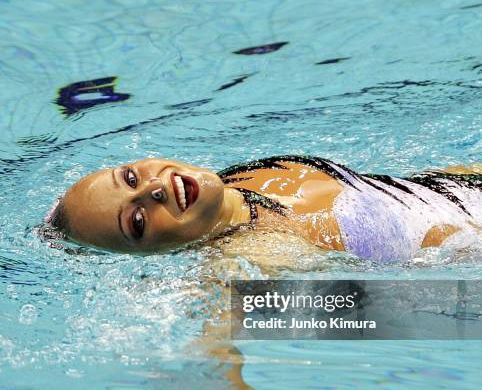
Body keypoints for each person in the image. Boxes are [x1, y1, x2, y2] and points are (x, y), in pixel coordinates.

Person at [44, 155, 481, 263]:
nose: (154, 189)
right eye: (137, 221)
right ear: (154, 253)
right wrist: (218, 372)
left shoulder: (242, 179)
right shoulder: (252, 252)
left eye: (132, 179)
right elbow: (220, 314)